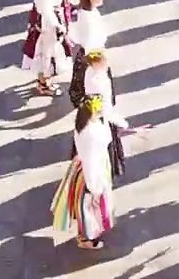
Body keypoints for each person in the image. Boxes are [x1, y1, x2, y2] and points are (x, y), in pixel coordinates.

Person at [51, 95, 134, 250]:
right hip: (92, 172)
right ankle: (86, 239)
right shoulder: (91, 133)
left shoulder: (84, 125)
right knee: (88, 207)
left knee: (84, 206)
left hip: (88, 167)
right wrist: (94, 187)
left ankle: (85, 235)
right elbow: (91, 160)